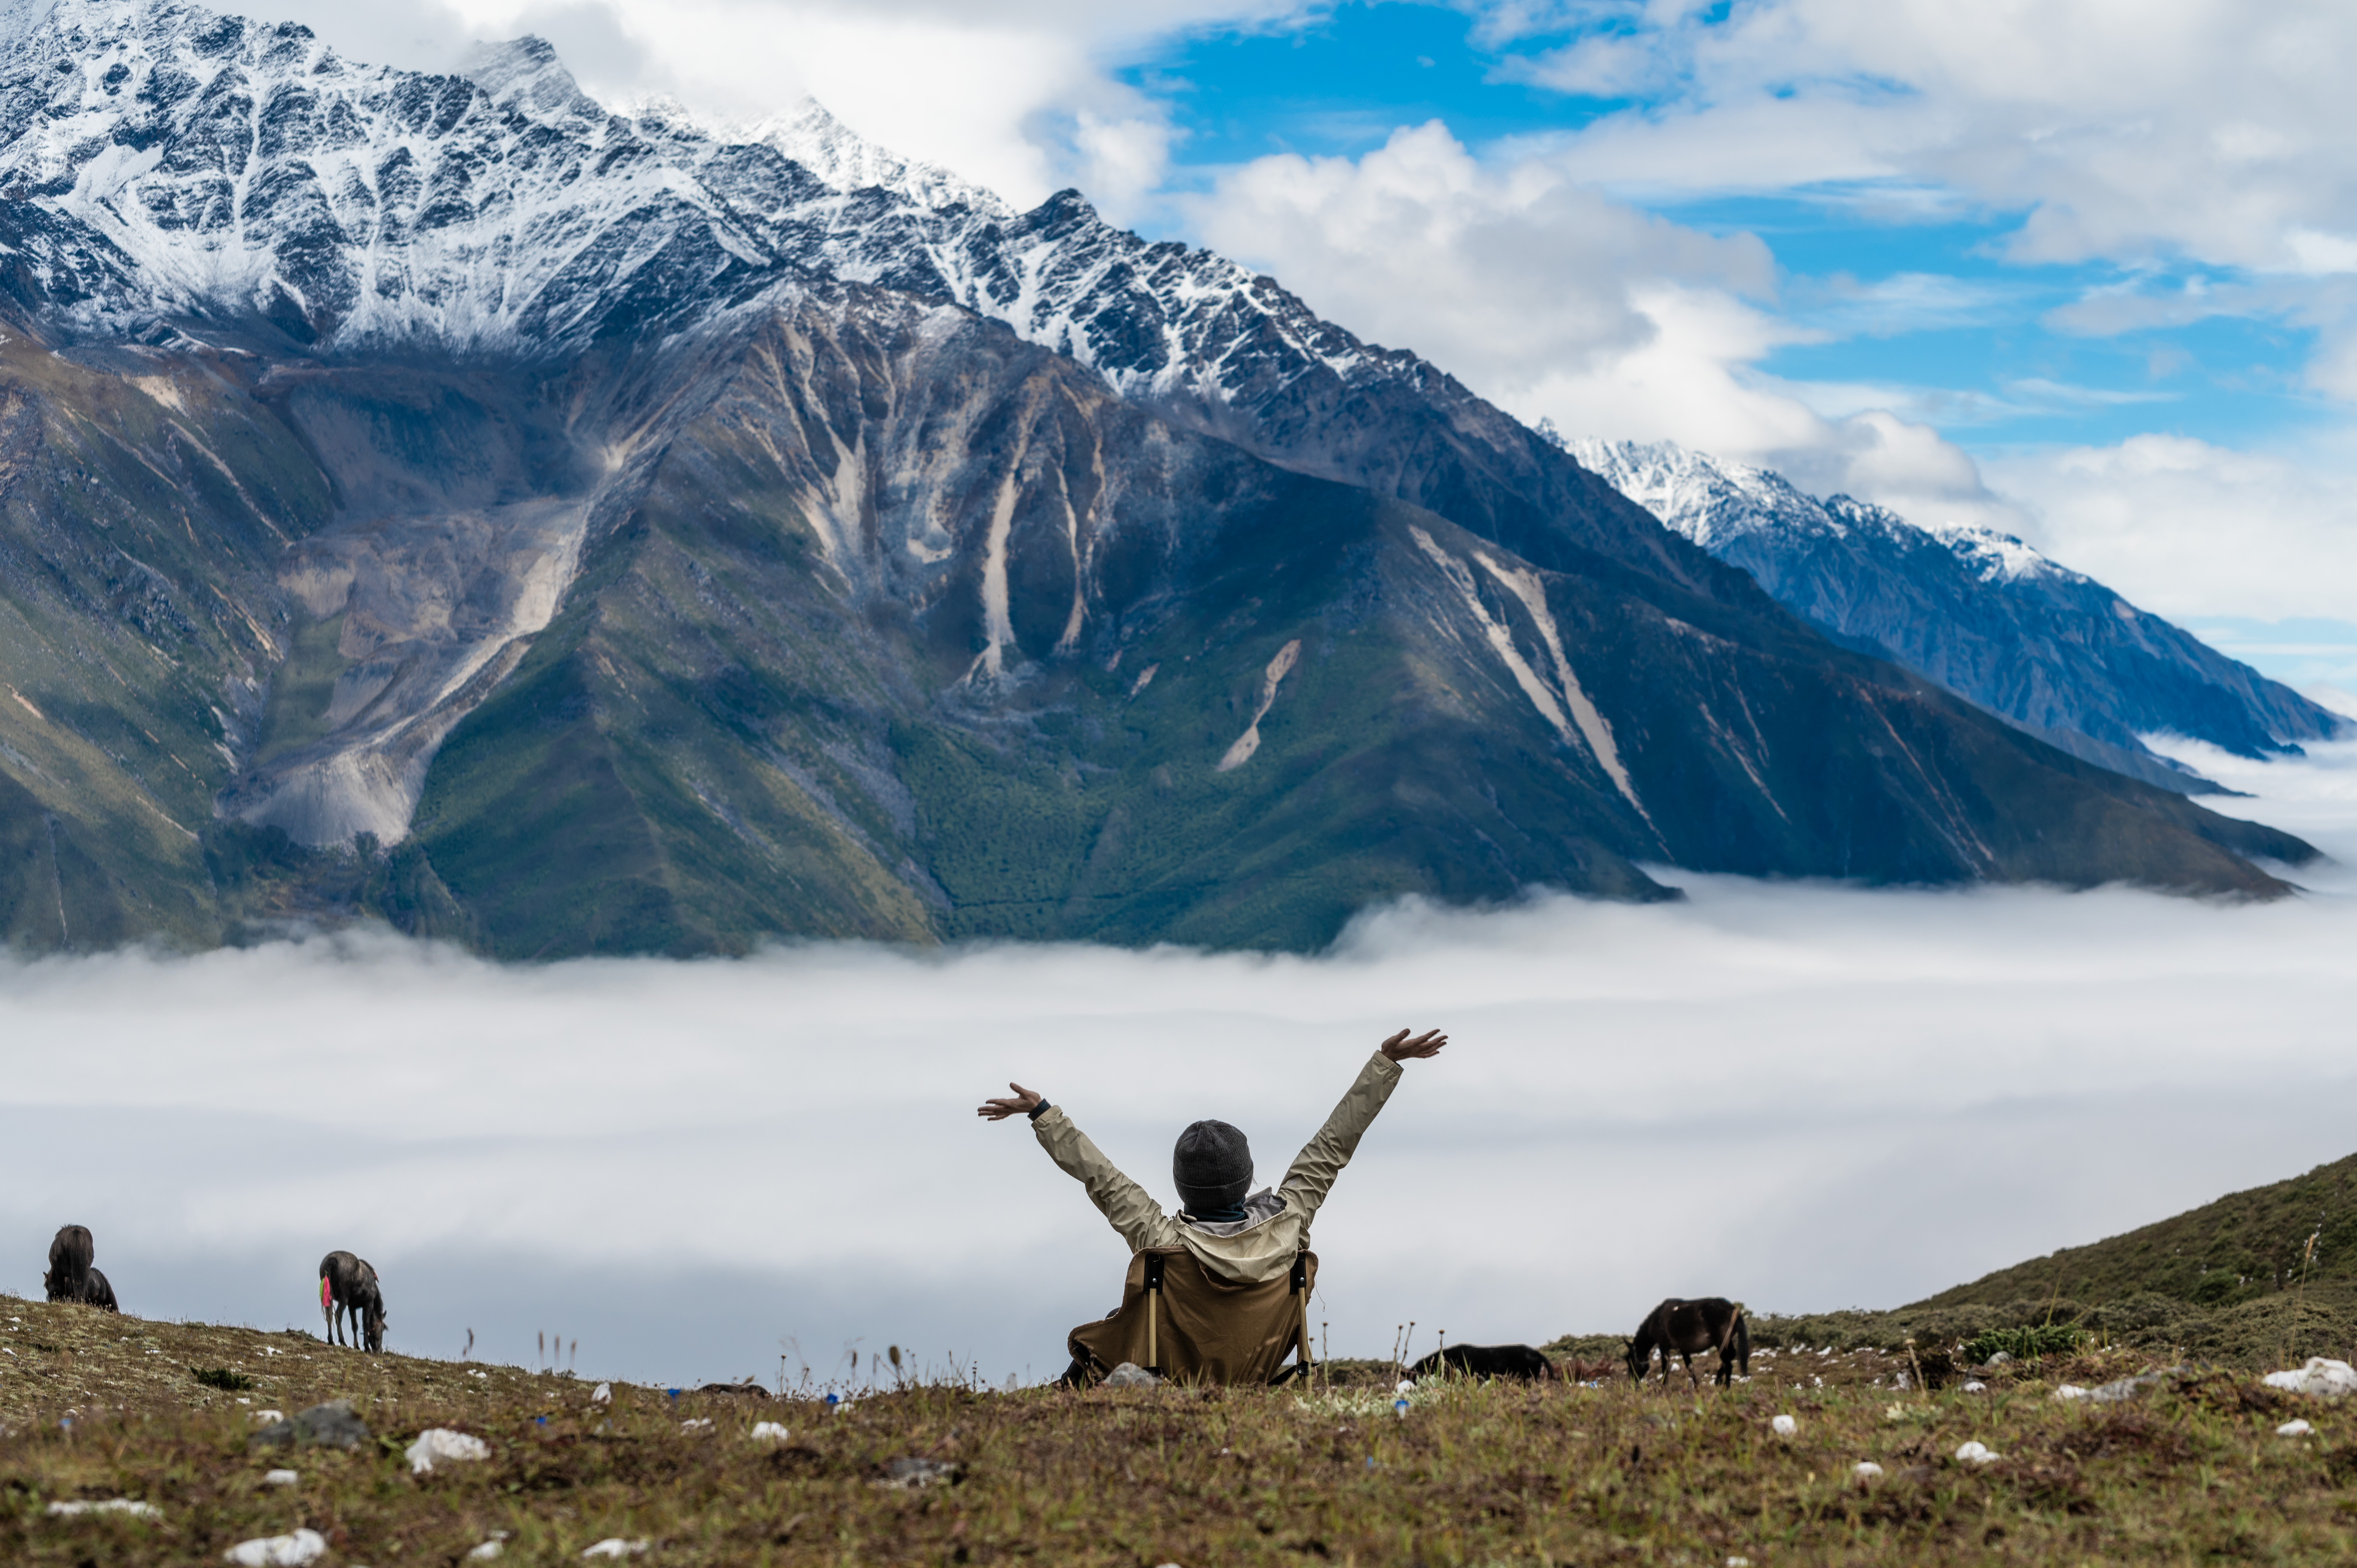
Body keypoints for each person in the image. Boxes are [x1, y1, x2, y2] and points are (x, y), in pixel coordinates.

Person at [975, 1027, 1447, 1290]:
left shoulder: (1162, 1241)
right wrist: (1384, 1066)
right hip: (1261, 1359)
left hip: (1183, 1364)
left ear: (1182, 1186)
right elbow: (1330, 1148)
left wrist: (1042, 1113)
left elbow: (1102, 1178)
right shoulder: (1290, 1222)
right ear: (1246, 1180)